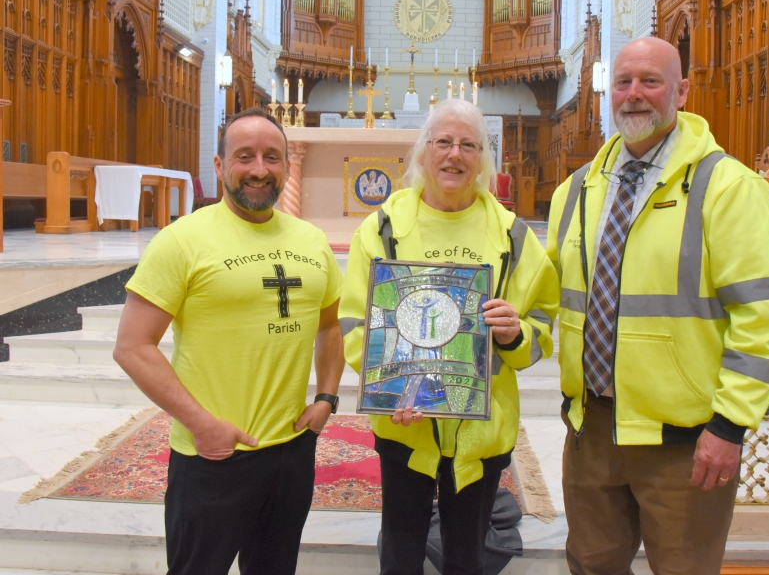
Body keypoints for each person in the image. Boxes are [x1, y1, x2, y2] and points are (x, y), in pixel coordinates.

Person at [547, 37, 769, 574]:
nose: (634, 95)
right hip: (593, 431)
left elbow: (762, 321)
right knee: (591, 567)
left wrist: (729, 427)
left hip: (685, 442)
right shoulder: (578, 190)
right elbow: (548, 303)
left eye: (650, 82)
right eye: (624, 82)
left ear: (681, 91)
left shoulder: (728, 188)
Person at [113, 107, 344, 575]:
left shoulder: (313, 241)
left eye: (272, 157)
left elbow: (329, 327)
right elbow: (133, 346)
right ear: (219, 166)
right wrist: (202, 424)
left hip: (291, 451)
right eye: (245, 156)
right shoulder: (182, 241)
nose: (260, 169)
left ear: (286, 166)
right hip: (211, 455)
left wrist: (326, 397)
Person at [339, 99, 559, 575]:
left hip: (481, 429)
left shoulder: (512, 237)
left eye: (467, 145)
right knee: (400, 555)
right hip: (406, 422)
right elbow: (354, 324)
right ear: (422, 152)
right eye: (442, 142)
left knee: (467, 558)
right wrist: (388, 386)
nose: (453, 154)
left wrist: (516, 333)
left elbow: (543, 323)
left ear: (482, 158)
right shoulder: (383, 230)